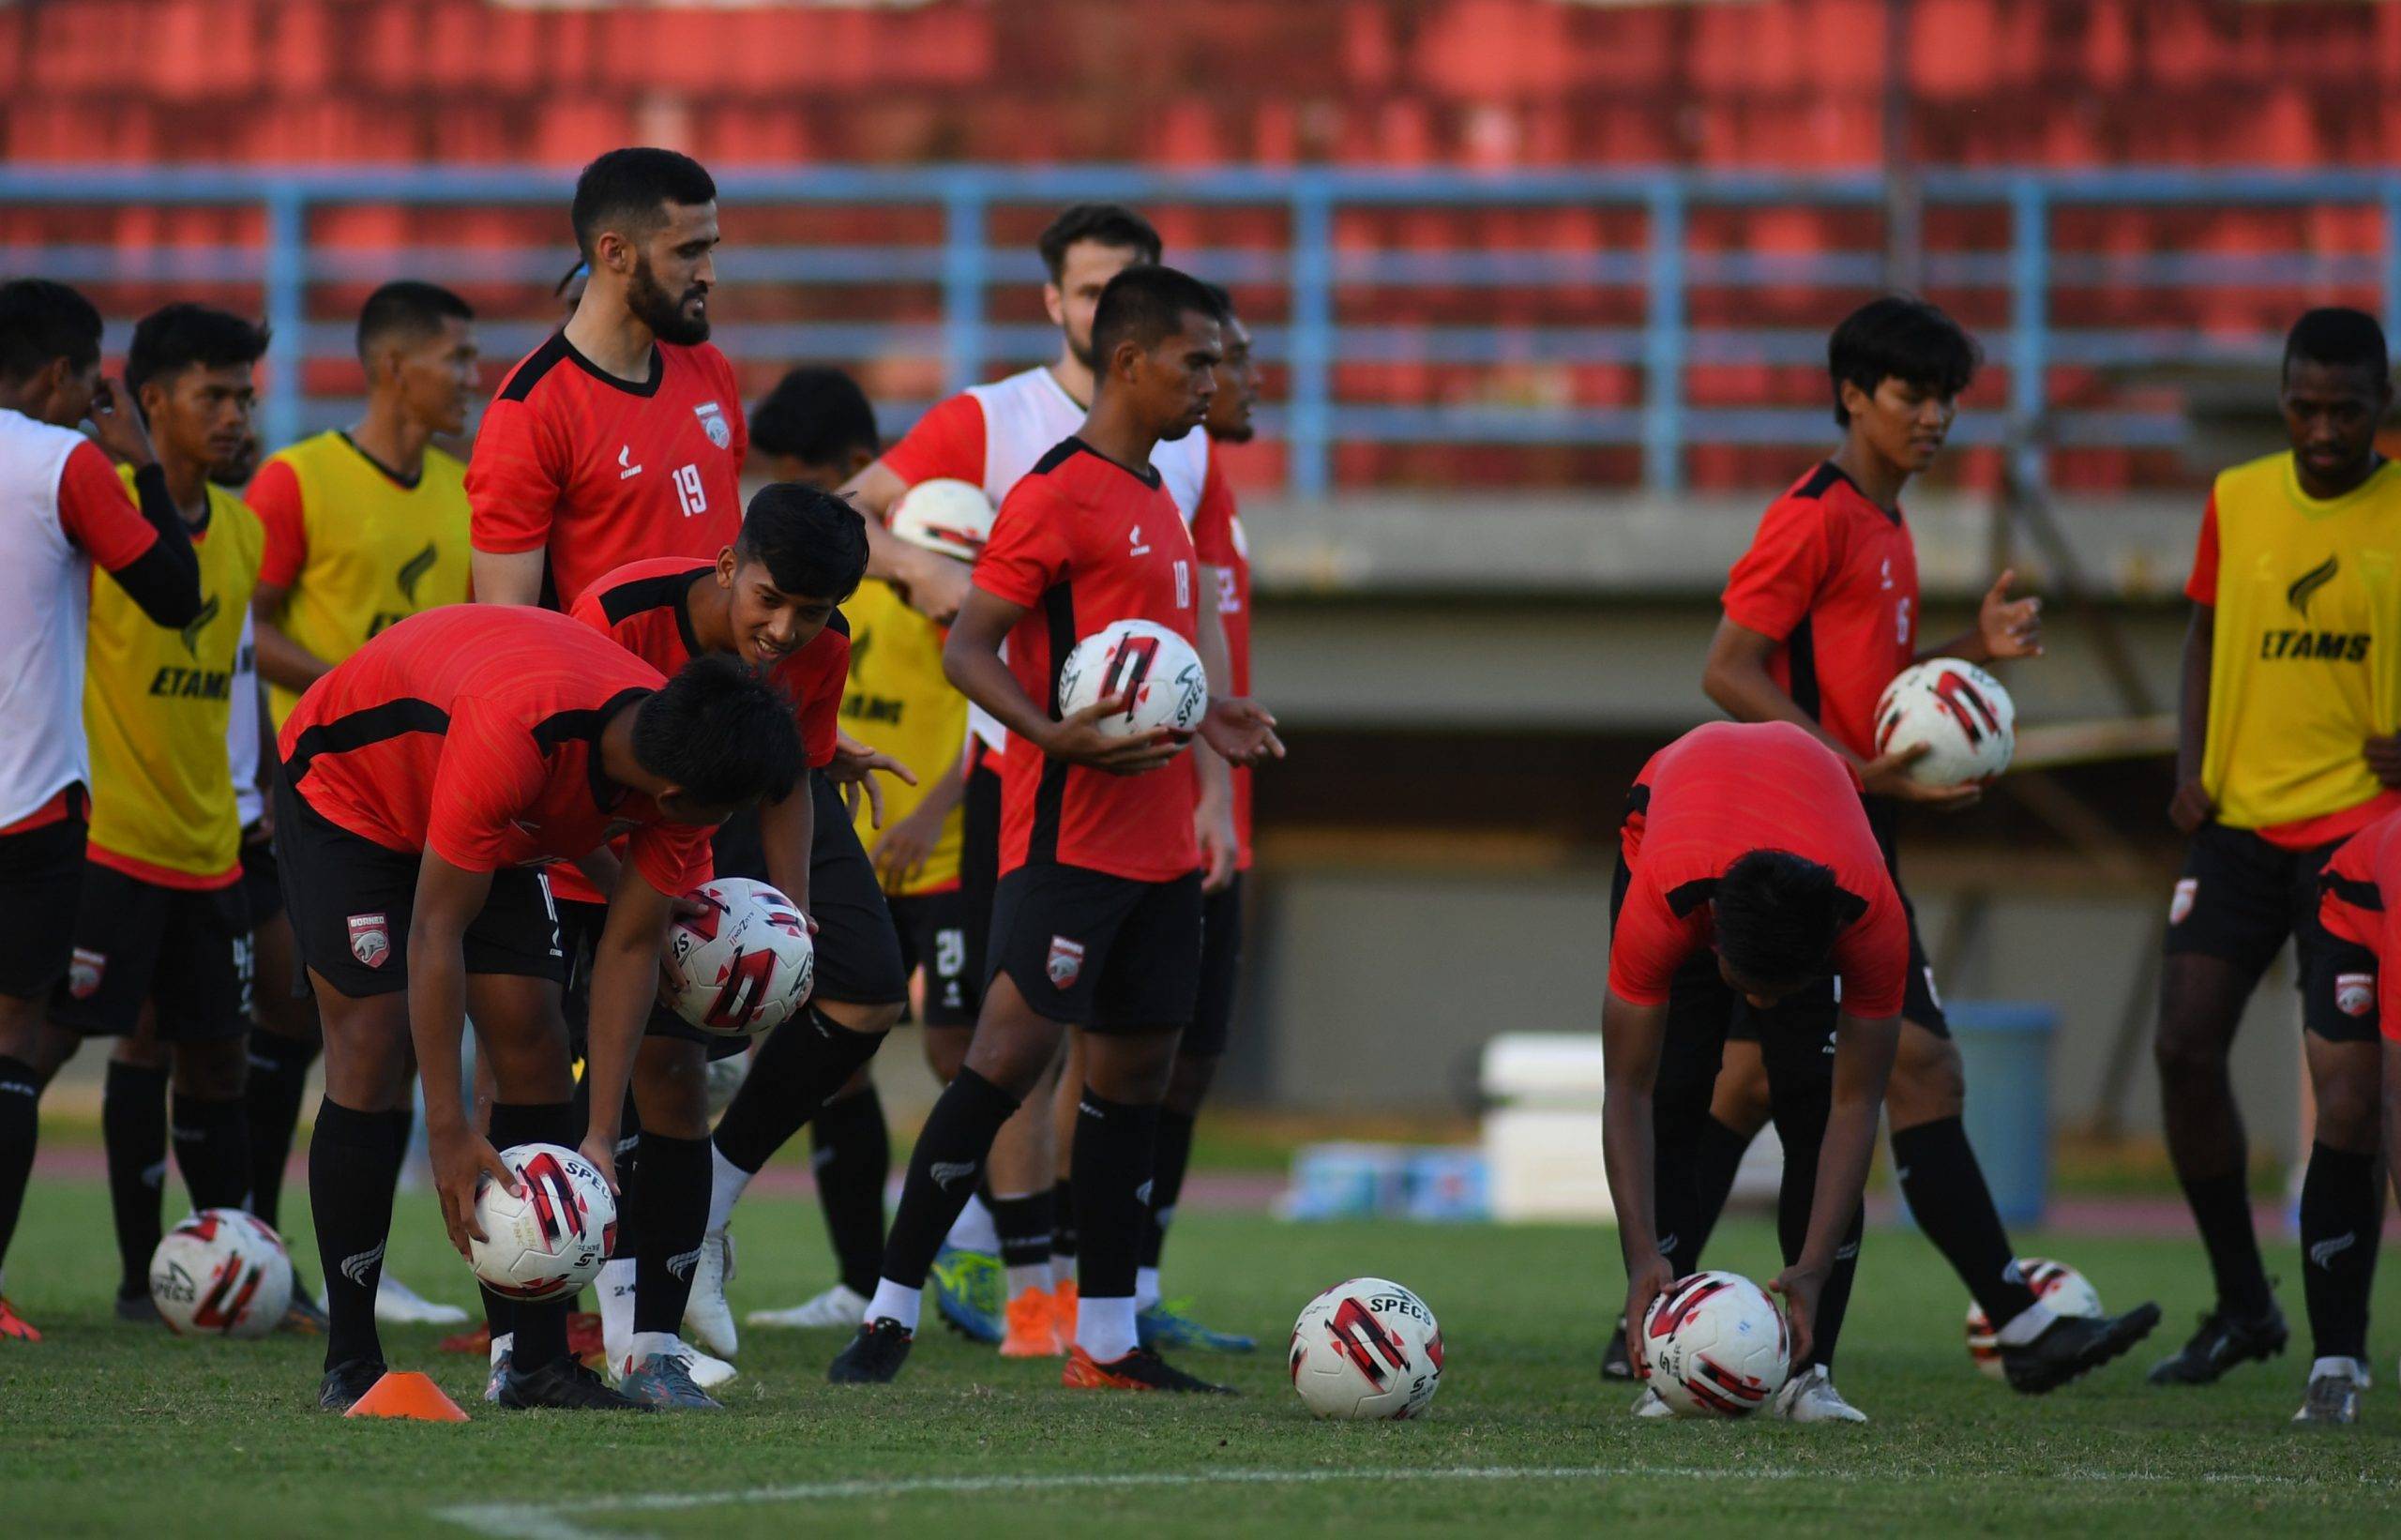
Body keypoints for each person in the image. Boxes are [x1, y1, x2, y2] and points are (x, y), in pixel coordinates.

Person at [1610, 295, 2159, 1419]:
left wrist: (1966, 654)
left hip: (1853, 826)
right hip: (1801, 843)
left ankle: (1659, 1323)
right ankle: (2003, 1319)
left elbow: (1867, 689)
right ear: (1853, 394)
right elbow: (1729, 668)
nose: (1935, 416)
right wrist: (1858, 778)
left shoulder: (1887, 523)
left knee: (1761, 1079)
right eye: (1912, 394)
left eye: (1948, 396)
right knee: (1910, 1071)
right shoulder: (1813, 516)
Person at [826, 264, 1280, 1394]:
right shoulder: (1052, 492)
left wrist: (1207, 712)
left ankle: (1111, 1339)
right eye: (1197, 361)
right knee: (997, 1069)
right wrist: (1052, 737)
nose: (1212, 381)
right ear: (1130, 363)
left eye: (1219, 362)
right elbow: (968, 646)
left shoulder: (1160, 497)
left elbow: (1149, 662)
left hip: (1163, 845)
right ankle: (885, 1316)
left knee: (1134, 1086)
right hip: (1068, 838)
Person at [278, 603, 798, 1412]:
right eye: (718, 814)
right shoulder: (517, 735)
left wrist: (597, 1135)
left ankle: (536, 1364)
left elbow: (630, 946)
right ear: (673, 792)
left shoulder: (675, 747)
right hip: (353, 792)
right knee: (374, 1044)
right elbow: (435, 929)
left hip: (496, 810)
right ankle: (351, 1362)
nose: (718, 830)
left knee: (533, 1034)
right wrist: (448, 1128)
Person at [1605, 721, 2157, 1411]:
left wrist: (1812, 1268)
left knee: (1809, 1099)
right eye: (1746, 985)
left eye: (1776, 993)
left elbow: (1854, 1105)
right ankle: (1667, 1355)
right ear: (1714, 933)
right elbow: (1625, 1088)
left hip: (1820, 809)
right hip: (1674, 804)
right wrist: (1639, 1256)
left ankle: (1811, 1376)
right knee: (1676, 1095)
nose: (1756, 1004)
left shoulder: (1869, 916)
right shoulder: (1665, 895)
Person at [564, 486, 895, 1408]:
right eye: (769, 600)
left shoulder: (822, 648)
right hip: (599, 827)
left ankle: (684, 1255)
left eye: (811, 611)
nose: (786, 629)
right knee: (624, 1059)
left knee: (860, 989)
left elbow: (792, 775)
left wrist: (787, 911)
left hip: (726, 813)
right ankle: (599, 1323)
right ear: (725, 566)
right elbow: (571, 768)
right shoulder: (618, 615)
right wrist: (637, 899)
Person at [2150, 308, 2401, 1424]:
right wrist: (2190, 758)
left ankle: (2335, 1356)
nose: (2322, 428)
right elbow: (2205, 631)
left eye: (2345, 410)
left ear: (2380, 407)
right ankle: (2245, 1304)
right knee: (2181, 1046)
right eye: (2304, 405)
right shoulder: (2237, 497)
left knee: (2348, 1094)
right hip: (2240, 826)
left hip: (2361, 832)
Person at [244, 279, 482, 1332]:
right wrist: (361, 687)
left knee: (376, 1038)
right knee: (314, 1023)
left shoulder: (464, 491)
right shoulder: (297, 481)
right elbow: (246, 632)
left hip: (432, 800)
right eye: (458, 360)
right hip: (322, 791)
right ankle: (255, 1240)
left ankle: (355, 1263)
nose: (474, 379)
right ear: (394, 369)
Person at [50, 306, 269, 1324]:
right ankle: (142, 1282)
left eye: (244, 395)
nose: (234, 415)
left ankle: (228, 1269)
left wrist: (248, 796)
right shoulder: (100, 523)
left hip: (209, 842)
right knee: (90, 1042)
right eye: (212, 396)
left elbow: (233, 677)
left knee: (215, 1056)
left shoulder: (245, 529)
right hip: (114, 838)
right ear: (151, 403)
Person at [0, 279, 203, 1342]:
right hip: (26, 803)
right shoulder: (64, 462)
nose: (95, 401)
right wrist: (137, 465)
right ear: (54, 378)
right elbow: (175, 595)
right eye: (91, 385)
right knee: (15, 1037)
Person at [739, 369, 951, 1334]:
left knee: (966, 1055)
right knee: (835, 1053)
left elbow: (993, 707)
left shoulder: (942, 549)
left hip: (938, 851)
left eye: (802, 477)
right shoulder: (798, 597)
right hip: (838, 831)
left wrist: (932, 809)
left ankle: (1006, 1265)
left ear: (858, 471)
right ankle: (857, 1277)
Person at [1125, 279, 1260, 1353]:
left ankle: (1139, 1272)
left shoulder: (1204, 488)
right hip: (1135, 817)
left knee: (1193, 1061)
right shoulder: (1110, 483)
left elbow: (1206, 628)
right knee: (1058, 1056)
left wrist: (1219, 786)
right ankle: (1012, 1271)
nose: (1236, 380)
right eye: (1221, 360)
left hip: (1216, 812)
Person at [468, 147, 744, 611]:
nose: (709, 275)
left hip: (726, 684)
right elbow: (508, 632)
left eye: (710, 249)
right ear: (615, 252)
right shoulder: (529, 413)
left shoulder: (709, 368)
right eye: (688, 252)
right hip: (617, 685)